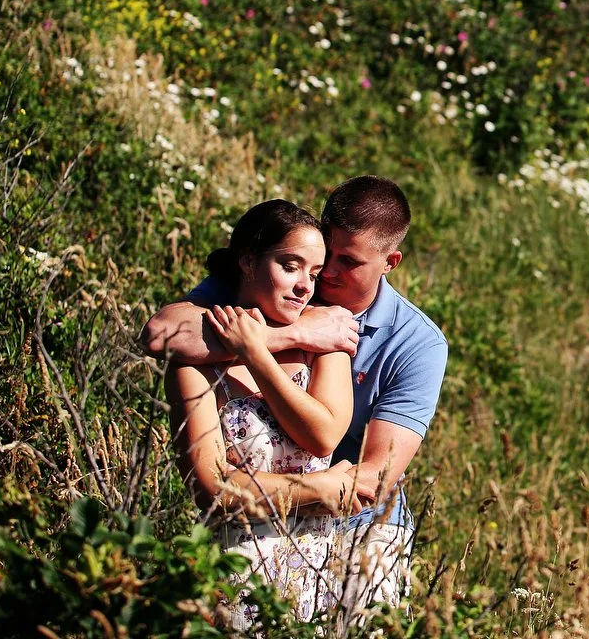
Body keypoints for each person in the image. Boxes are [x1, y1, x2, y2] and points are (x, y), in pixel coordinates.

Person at [145, 176, 447, 621]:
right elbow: (162, 334)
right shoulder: (284, 286)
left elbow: (373, 479)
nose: (325, 274)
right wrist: (289, 333)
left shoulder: (418, 343)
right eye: (327, 254)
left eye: (348, 261)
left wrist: (260, 346)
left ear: (390, 262)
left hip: (362, 521)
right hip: (261, 515)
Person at [166, 198, 354, 625]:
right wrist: (317, 489)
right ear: (248, 261)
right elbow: (212, 489)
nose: (306, 286)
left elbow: (322, 435)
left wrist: (256, 352)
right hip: (233, 578)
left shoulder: (324, 343)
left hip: (314, 579)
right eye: (290, 266)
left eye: (314, 273)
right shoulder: (197, 363)